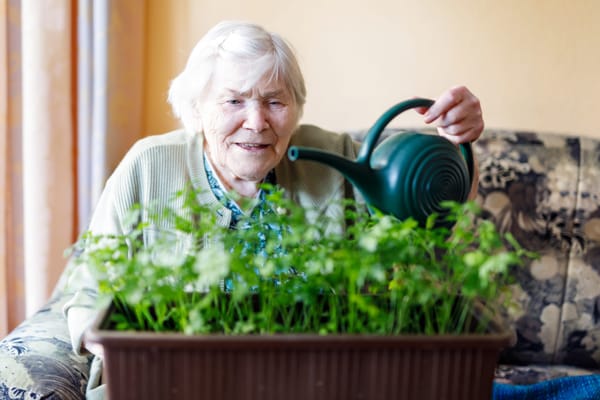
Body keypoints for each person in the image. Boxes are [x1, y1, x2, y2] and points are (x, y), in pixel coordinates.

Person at [63, 20, 484, 397]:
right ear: (197, 108)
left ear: (296, 109)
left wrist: (457, 143)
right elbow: (85, 290)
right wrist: (138, 353)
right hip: (179, 383)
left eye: (274, 102)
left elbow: (429, 215)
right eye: (233, 101)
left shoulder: (333, 154)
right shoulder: (148, 165)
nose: (257, 121)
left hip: (321, 381)